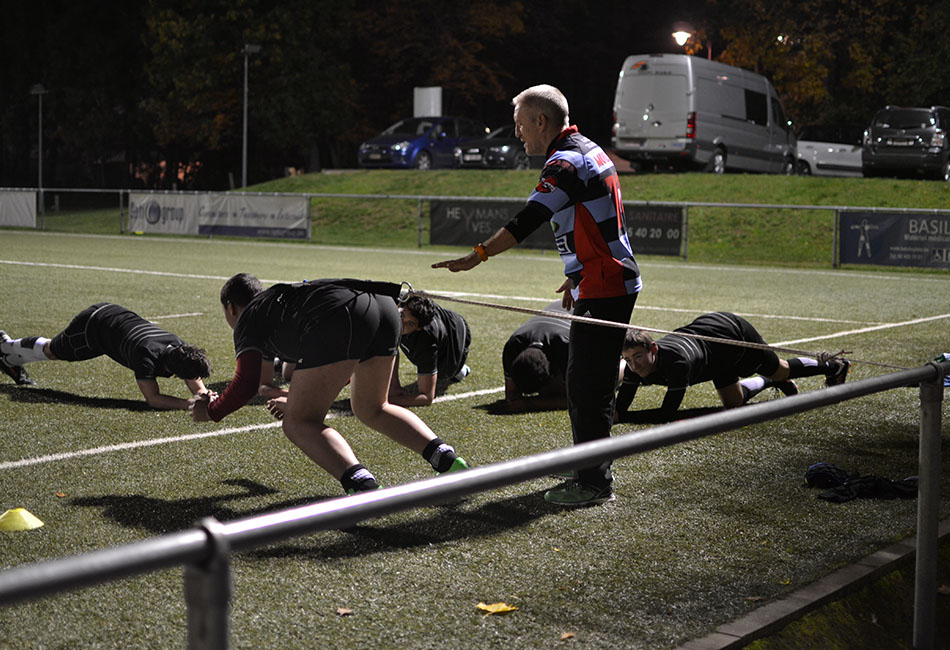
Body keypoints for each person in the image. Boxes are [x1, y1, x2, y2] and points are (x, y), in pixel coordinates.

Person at [432, 84, 641, 506]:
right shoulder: (586, 149)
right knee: (584, 381)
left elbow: (530, 218)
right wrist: (578, 270)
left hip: (606, 284)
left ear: (541, 122)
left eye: (520, 125)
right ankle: (589, 463)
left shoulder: (565, 161)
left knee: (589, 385)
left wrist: (479, 254)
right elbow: (596, 217)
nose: (517, 134)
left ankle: (595, 481)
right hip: (600, 277)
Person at [189, 273, 469, 496]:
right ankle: (445, 459)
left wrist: (211, 411)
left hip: (342, 316)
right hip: (384, 308)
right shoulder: (277, 300)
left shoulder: (249, 318)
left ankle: (363, 487)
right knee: (372, 408)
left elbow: (247, 383)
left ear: (230, 307)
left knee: (299, 423)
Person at [616, 311, 852, 422]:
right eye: (628, 359)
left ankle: (834, 366)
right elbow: (622, 403)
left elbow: (667, 414)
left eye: (638, 356)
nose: (634, 365)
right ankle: (771, 382)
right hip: (712, 356)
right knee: (734, 403)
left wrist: (622, 418)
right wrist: (615, 412)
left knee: (781, 369)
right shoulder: (635, 367)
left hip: (730, 334)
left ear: (653, 349)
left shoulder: (678, 364)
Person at [0, 304, 212, 409]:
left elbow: (190, 372)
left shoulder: (180, 348)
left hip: (113, 317)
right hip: (92, 327)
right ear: (176, 372)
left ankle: (9, 361)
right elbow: (153, 399)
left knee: (51, 351)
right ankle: (6, 345)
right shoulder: (146, 357)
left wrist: (202, 393)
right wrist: (189, 403)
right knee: (52, 350)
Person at [388, 294, 471, 407]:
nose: (401, 323)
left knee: (446, 373)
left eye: (410, 324)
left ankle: (460, 370)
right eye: (401, 315)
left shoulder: (425, 341)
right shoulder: (395, 303)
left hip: (456, 333)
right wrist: (394, 387)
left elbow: (426, 397)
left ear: (418, 328)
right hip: (443, 320)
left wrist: (387, 400)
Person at [502, 300, 570, 412]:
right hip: (560, 308)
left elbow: (573, 400)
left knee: (554, 391)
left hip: (582, 309)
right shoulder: (512, 346)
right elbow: (511, 394)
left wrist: (530, 403)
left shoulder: (566, 347)